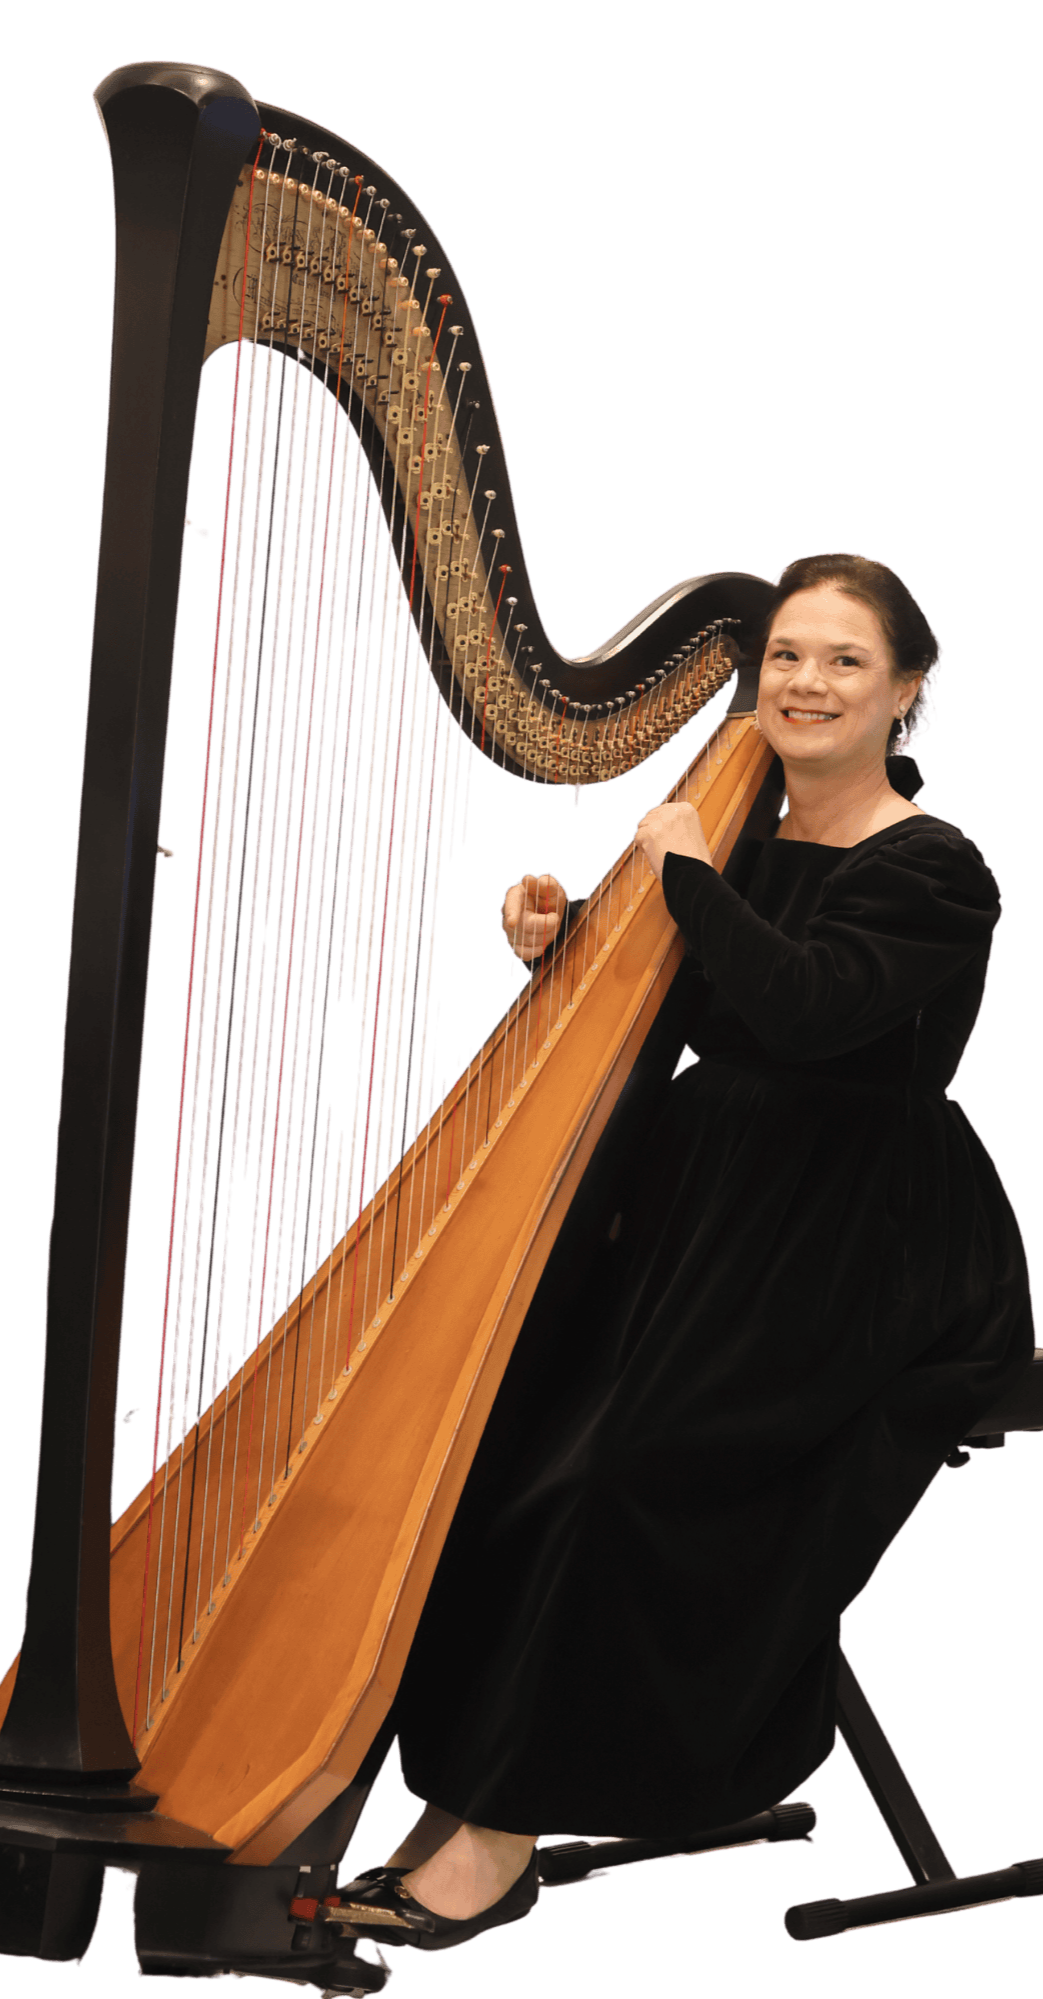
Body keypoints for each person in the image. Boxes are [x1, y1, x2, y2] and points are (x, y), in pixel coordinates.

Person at [336, 554, 1036, 1954]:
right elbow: (675, 994)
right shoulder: (727, 822)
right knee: (502, 1437)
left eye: (845, 662)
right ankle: (458, 1787)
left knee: (617, 1473)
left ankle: (504, 1829)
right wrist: (564, 938)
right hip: (704, 1210)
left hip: (862, 1245)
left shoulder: (941, 866)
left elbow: (812, 1007)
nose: (806, 684)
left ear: (907, 693)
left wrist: (691, 880)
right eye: (784, 656)